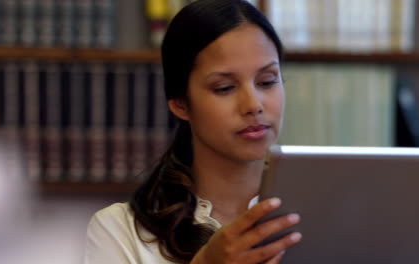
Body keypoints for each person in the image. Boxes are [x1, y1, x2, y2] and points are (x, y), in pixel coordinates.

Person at [84, 1, 302, 263]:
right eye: (224, 88)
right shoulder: (121, 231)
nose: (253, 105)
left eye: (267, 81)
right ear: (180, 104)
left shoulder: (321, 215)